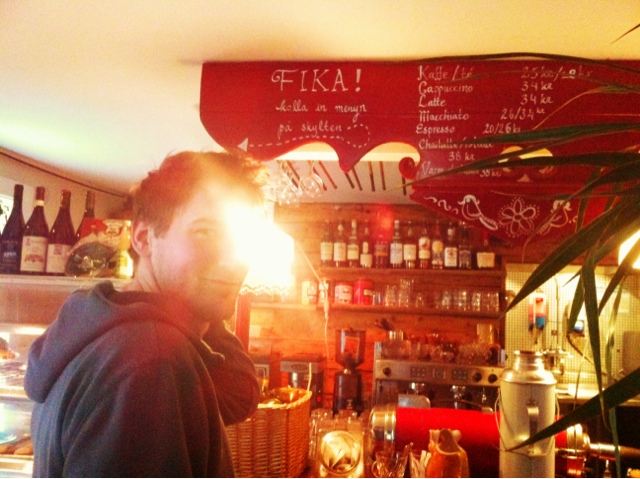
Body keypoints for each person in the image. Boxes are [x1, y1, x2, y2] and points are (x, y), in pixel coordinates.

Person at [25, 150, 266, 477]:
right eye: (206, 232)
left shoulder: (108, 329)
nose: (232, 260)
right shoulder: (151, 361)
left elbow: (238, 394)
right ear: (143, 239)